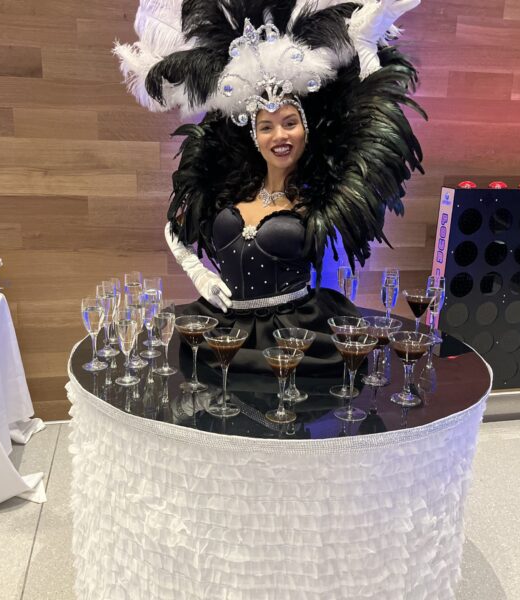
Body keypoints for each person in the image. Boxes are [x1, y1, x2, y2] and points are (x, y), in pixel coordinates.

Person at [114, 0, 424, 375]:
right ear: (254, 136)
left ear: (306, 130)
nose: (279, 135)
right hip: (225, 332)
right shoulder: (229, 191)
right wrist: (198, 273)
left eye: (290, 122)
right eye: (266, 126)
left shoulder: (321, 196)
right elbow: (175, 228)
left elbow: (376, 130)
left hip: (295, 339)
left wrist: (364, 47)